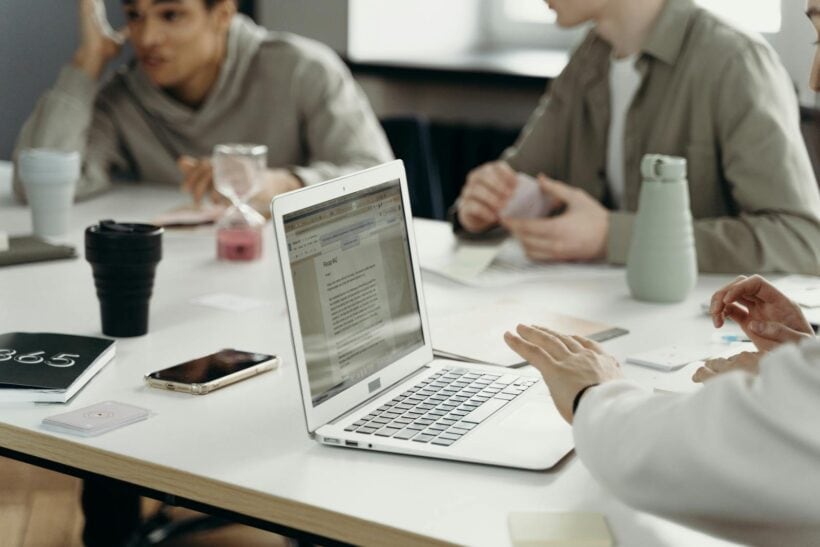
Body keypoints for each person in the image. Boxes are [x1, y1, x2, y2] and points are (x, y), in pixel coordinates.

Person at [455, 0, 820, 275]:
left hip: (706, 335)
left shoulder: (734, 61)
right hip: (609, 318)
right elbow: (518, 179)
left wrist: (612, 237)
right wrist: (484, 209)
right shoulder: (588, 58)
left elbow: (803, 240)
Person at [13, 0, 392, 209]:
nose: (147, 37)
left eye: (171, 14)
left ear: (222, 14)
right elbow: (35, 188)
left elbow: (378, 177)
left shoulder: (303, 70)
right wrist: (86, 64)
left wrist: (278, 183)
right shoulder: (122, 97)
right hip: (177, 280)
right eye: (134, 16)